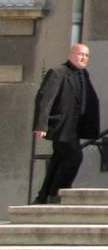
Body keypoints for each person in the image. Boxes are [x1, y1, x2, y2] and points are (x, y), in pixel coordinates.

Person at [32, 43, 101, 204]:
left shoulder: (84, 75)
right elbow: (44, 99)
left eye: (86, 55)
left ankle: (42, 197)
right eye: (80, 54)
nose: (83, 58)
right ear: (71, 54)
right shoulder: (58, 73)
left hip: (75, 126)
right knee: (74, 157)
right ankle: (58, 193)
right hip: (61, 125)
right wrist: (41, 125)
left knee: (58, 160)